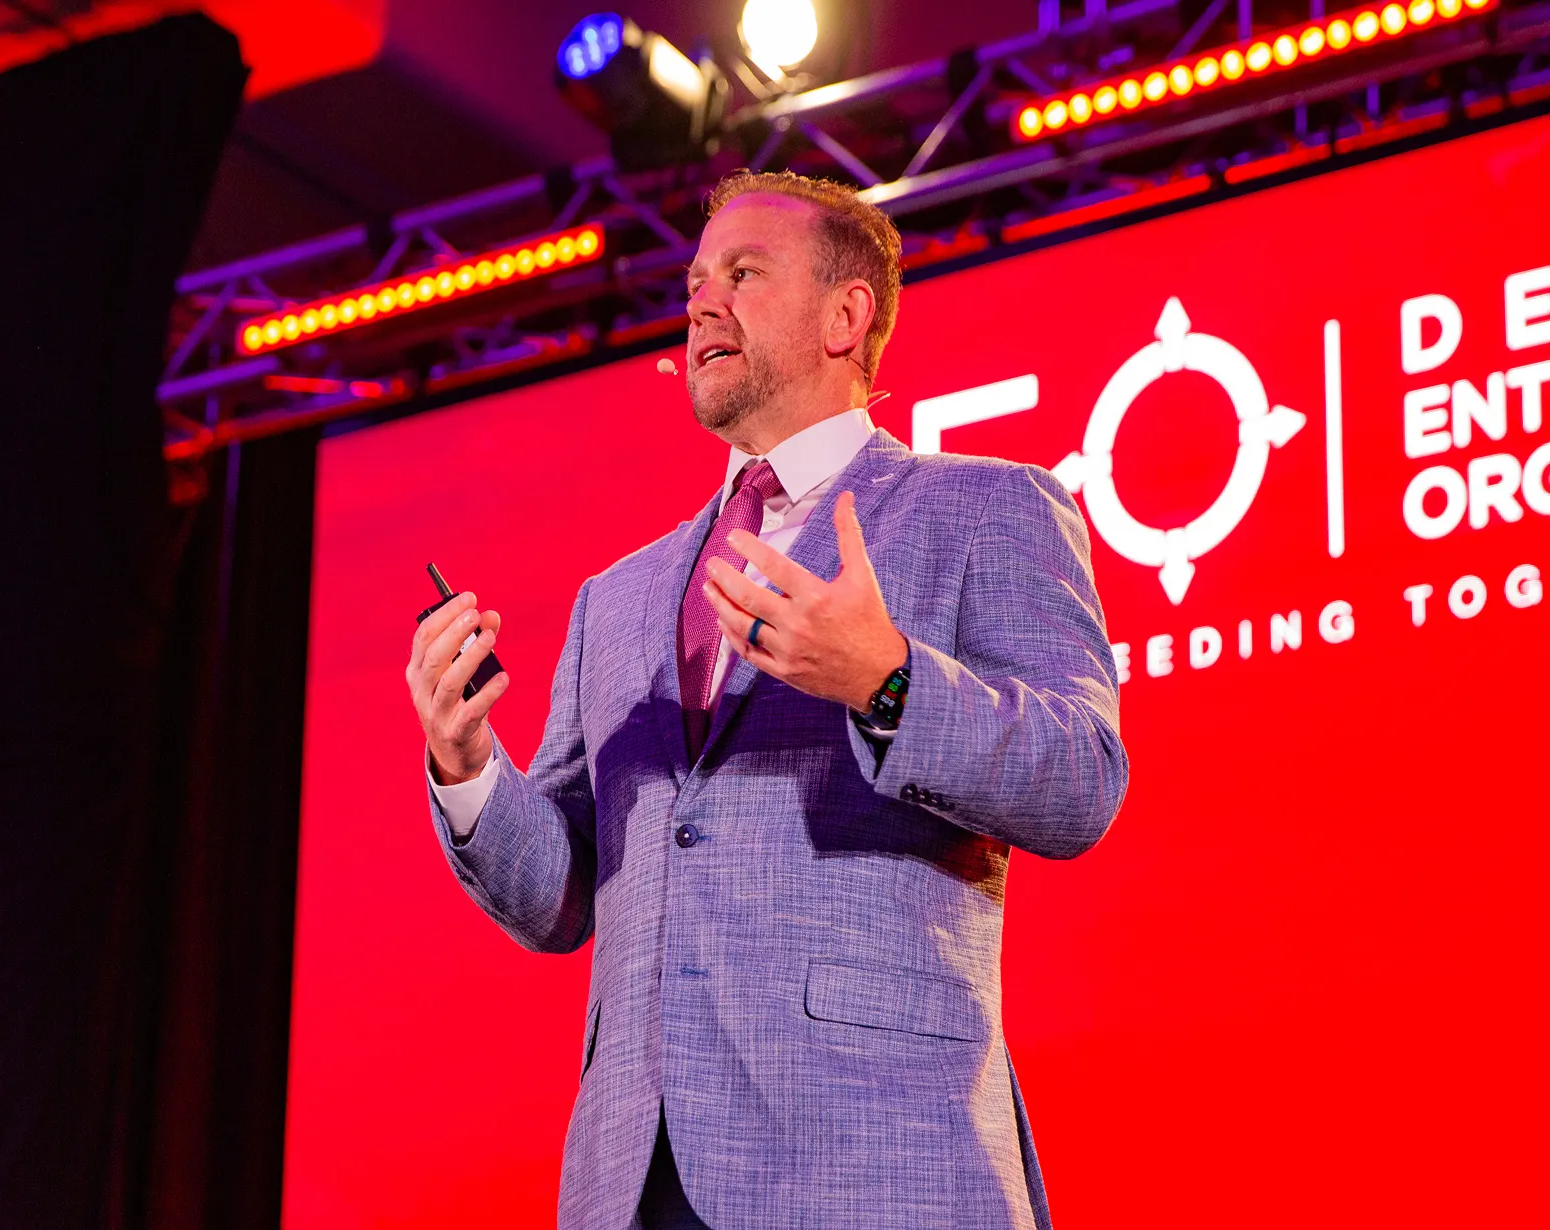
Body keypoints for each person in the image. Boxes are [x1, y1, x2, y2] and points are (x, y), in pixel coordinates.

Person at [404, 169, 1128, 1230]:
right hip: (637, 1179)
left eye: (743, 274)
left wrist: (886, 679)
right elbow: (560, 896)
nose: (702, 303)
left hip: (875, 1159)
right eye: (697, 281)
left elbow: (1079, 781)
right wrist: (467, 770)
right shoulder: (618, 598)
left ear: (848, 314)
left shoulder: (984, 508)